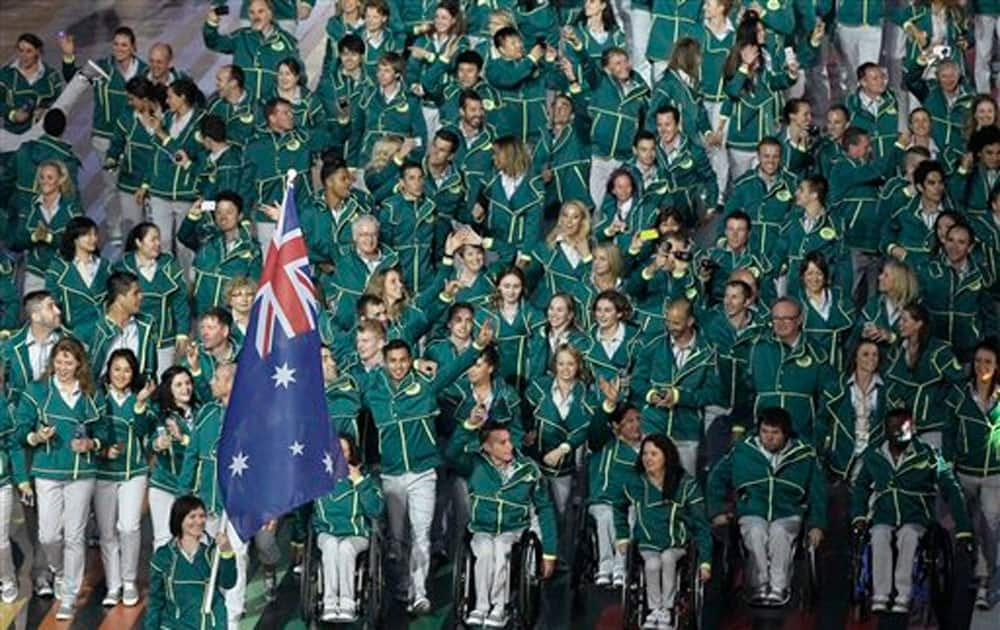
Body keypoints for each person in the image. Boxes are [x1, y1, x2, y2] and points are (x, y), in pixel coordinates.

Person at [361, 323, 494, 614]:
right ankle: (400, 586)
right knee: (397, 538)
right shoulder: (373, 391)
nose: (398, 366)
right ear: (385, 362)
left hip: (423, 474)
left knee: (421, 533)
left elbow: (455, 367)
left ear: (410, 361)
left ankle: (419, 592)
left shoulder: (425, 384)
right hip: (391, 475)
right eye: (392, 361)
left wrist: (477, 346)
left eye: (403, 360)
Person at [14, 337, 106, 620]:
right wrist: (36, 437)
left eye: (69, 360)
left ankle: (69, 593)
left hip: (81, 473)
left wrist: (92, 444)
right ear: (52, 361)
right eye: (59, 359)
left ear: (79, 364)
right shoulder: (37, 391)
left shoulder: (91, 393)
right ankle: (62, 571)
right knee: (48, 535)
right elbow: (20, 432)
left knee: (75, 535)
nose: (63, 366)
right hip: (47, 471)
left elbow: (104, 432)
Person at [850, 407, 974, 614]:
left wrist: (963, 530)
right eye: (893, 427)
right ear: (885, 430)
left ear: (913, 428)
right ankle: (880, 594)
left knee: (908, 536)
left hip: (915, 516)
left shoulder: (929, 455)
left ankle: (903, 594)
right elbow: (861, 487)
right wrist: (859, 516)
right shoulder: (874, 454)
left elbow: (952, 490)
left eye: (904, 426)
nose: (898, 431)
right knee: (879, 535)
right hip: (884, 514)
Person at [708, 407, 826, 606]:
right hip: (753, 509)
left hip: (788, 511)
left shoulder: (804, 455)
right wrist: (718, 511)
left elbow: (818, 493)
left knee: (779, 533)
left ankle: (779, 586)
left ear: (786, 433)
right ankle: (758, 585)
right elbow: (716, 480)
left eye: (775, 433)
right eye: (764, 432)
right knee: (755, 532)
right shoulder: (743, 450)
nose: (769, 438)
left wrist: (817, 525)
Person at [447, 419, 558, 628]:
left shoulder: (529, 469)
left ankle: (500, 606)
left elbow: (545, 509)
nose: (510, 446)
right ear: (487, 447)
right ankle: (480, 606)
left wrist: (549, 553)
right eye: (502, 442)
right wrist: (468, 426)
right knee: (486, 550)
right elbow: (451, 453)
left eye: (509, 441)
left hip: (514, 529)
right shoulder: (475, 464)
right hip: (482, 528)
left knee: (502, 547)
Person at [178, 362, 248, 629]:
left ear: (231, 382)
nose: (211, 382)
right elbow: (191, 456)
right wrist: (183, 497)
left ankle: (232, 618)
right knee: (203, 559)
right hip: (205, 501)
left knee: (236, 557)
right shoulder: (206, 413)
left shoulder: (252, 416)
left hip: (238, 503)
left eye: (217, 378)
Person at [616, 434, 712, 629]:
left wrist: (705, 562)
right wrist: (622, 536)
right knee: (651, 564)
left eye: (654, 454)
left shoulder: (686, 484)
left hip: (676, 544)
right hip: (647, 543)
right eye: (644, 454)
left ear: (666, 456)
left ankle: (668, 609)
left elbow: (701, 524)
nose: (647, 458)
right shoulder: (636, 483)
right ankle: (654, 610)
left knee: (667, 558)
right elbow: (618, 507)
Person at [94, 349, 156, 607]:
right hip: (102, 474)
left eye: (127, 370)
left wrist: (141, 405)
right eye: (117, 368)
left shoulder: (139, 399)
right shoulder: (97, 398)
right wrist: (102, 449)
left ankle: (129, 581)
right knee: (107, 532)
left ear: (134, 374)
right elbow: (87, 429)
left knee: (129, 527)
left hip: (133, 472)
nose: (121, 374)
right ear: (108, 370)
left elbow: (145, 430)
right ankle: (113, 585)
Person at [633, 297, 720, 476]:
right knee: (651, 482)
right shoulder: (653, 345)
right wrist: (650, 395)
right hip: (654, 425)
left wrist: (680, 397)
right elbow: (637, 381)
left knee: (685, 484)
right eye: (668, 321)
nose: (671, 327)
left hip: (687, 430)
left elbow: (713, 393)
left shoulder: (708, 352)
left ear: (690, 321)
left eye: (676, 323)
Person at [944, 340, 1000, 610]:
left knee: (990, 527)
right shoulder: (959, 394)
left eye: (988, 362)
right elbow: (949, 430)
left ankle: (985, 581)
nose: (981, 367)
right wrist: (948, 461)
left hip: (994, 477)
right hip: (964, 473)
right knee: (962, 527)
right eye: (978, 361)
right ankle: (959, 574)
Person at [312, 435, 384, 623]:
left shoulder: (364, 477)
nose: (339, 455)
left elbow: (376, 509)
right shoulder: (317, 478)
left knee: (344, 548)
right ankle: (329, 603)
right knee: (331, 546)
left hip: (356, 534)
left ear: (350, 453)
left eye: (344, 451)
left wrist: (359, 482)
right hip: (327, 533)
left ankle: (347, 603)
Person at [144, 495, 237, 629]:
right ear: (179, 519)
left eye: (202, 516)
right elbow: (155, 600)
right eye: (192, 517)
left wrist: (227, 552)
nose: (199, 521)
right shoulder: (164, 556)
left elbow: (228, 583)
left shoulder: (214, 551)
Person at [884, 303, 964, 448]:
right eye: (899, 320)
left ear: (918, 324)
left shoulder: (939, 351)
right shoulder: (896, 351)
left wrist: (941, 403)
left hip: (932, 425)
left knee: (932, 465)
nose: (899, 324)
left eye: (904, 320)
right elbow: (890, 382)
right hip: (904, 425)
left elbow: (959, 382)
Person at [115, 222, 190, 372]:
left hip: (164, 339)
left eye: (159, 239)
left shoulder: (169, 263)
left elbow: (180, 300)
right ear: (138, 242)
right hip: (132, 337)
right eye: (153, 239)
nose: (158, 244)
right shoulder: (123, 266)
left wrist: (182, 333)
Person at [177, 191, 263, 317]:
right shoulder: (206, 239)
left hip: (232, 318)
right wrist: (192, 216)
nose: (223, 217)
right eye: (218, 212)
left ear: (240, 216)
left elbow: (254, 284)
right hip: (203, 315)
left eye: (229, 212)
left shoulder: (252, 249)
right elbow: (183, 236)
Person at [818, 340, 888, 483]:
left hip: (874, 452)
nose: (871, 359)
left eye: (875, 355)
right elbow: (821, 422)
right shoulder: (837, 388)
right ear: (855, 358)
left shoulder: (887, 389)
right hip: (842, 453)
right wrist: (819, 452)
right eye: (865, 354)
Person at [203, 0, 300, 102]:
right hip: (243, 106)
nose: (256, 17)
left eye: (260, 11)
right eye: (252, 12)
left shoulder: (287, 43)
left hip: (271, 108)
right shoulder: (241, 36)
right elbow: (213, 42)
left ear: (270, 13)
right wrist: (211, 24)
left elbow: (299, 75)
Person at [587, 402, 640, 587]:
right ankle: (605, 567)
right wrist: (608, 405)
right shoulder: (605, 444)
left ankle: (621, 568)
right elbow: (594, 430)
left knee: (631, 515)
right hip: (602, 501)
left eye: (638, 420)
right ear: (617, 426)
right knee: (607, 515)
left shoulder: (646, 450)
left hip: (630, 503)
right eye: (630, 421)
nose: (636, 425)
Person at [11, 159, 81, 294]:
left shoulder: (72, 209)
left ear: (60, 180)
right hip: (35, 273)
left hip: (63, 274)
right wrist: (33, 237)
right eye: (42, 177)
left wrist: (49, 237)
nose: (44, 181)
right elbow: (17, 241)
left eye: (50, 177)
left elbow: (76, 243)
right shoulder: (30, 207)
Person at [148, 366, 199, 550]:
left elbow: (202, 447)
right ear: (169, 388)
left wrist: (183, 439)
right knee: (163, 538)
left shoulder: (201, 412)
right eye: (178, 385)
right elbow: (148, 439)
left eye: (188, 383)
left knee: (191, 539)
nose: (185, 388)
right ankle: (161, 578)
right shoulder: (161, 414)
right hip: (164, 484)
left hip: (192, 487)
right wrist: (157, 444)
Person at [78, 270, 159, 380]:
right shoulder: (92, 326)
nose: (141, 297)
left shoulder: (146, 325)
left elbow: (151, 371)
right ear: (120, 298)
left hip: (136, 393)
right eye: (135, 293)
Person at [45, 216, 110, 331]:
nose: (93, 239)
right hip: (73, 333)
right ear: (74, 238)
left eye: (95, 234)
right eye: (88, 235)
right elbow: (52, 302)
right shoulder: (58, 269)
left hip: (103, 331)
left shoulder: (105, 266)